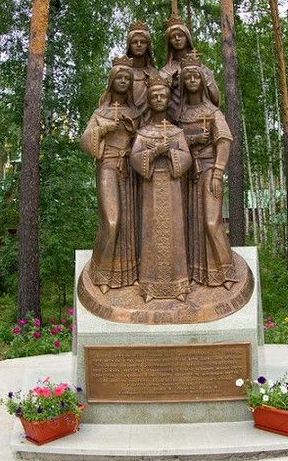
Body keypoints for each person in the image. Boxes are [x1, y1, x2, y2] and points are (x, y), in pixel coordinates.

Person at [79, 56, 140, 294]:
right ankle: (101, 272)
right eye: (119, 77)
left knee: (129, 223)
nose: (123, 81)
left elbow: (146, 140)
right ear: (111, 81)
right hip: (107, 167)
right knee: (112, 221)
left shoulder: (135, 112)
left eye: (127, 78)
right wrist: (104, 128)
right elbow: (85, 141)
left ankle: (128, 274)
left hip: (130, 170)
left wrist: (134, 131)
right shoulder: (100, 112)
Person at [130, 75, 192, 302]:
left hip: (173, 187)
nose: (158, 99)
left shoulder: (177, 132)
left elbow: (187, 158)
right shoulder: (143, 133)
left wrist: (170, 152)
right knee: (151, 232)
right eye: (154, 95)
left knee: (174, 232)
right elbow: (134, 158)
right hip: (150, 187)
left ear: (168, 99)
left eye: (162, 95)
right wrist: (155, 152)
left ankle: (178, 286)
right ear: (148, 99)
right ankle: (150, 285)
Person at [177, 53, 237, 289]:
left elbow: (224, 140)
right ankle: (198, 272)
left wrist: (218, 172)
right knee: (190, 223)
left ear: (202, 80)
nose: (192, 80)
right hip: (186, 174)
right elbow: (174, 142)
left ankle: (226, 271)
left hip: (209, 169)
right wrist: (191, 140)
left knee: (212, 222)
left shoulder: (213, 112)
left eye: (196, 76)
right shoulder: (179, 115)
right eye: (187, 77)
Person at [160, 15, 219, 122]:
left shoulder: (202, 68)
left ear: (187, 38)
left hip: (201, 117)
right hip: (173, 120)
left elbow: (215, 98)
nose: (177, 39)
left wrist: (205, 78)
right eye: (173, 37)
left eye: (180, 35)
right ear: (169, 42)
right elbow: (160, 101)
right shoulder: (165, 71)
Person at [126, 21, 157, 112]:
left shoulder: (154, 74)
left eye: (143, 42)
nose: (139, 45)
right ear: (129, 45)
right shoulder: (123, 73)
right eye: (135, 42)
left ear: (148, 45)